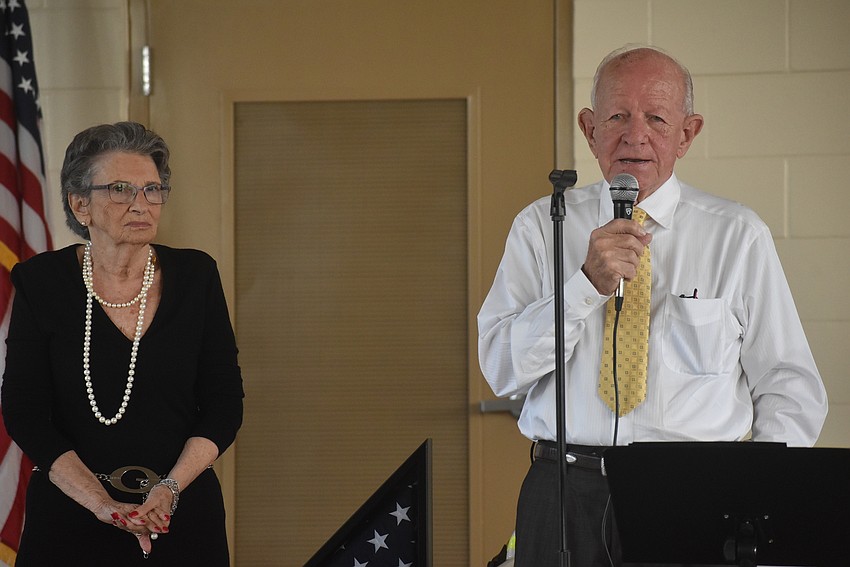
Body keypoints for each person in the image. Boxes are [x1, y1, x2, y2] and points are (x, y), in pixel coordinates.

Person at [477, 45, 827, 567]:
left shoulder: (736, 235)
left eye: (657, 118)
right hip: (565, 491)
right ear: (589, 128)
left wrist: (754, 492)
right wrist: (584, 286)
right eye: (617, 116)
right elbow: (502, 371)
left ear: (687, 134)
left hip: (698, 496)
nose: (634, 134)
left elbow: (790, 385)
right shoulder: (541, 225)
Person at [1, 122, 244, 566]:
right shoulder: (41, 283)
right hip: (71, 516)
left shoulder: (197, 277)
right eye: (120, 189)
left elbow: (225, 404)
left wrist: (168, 489)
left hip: (181, 512)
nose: (141, 203)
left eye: (153, 190)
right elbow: (24, 409)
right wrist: (100, 503)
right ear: (80, 204)